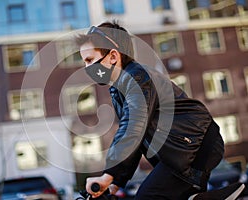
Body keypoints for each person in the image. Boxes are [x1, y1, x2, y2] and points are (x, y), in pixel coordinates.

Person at [74, 21, 227, 200]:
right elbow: (135, 140)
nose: (87, 68)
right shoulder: (119, 89)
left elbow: (132, 128)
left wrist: (109, 174)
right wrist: (115, 182)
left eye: (90, 60)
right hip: (184, 149)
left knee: (148, 197)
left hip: (194, 145)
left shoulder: (138, 78)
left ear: (113, 56)